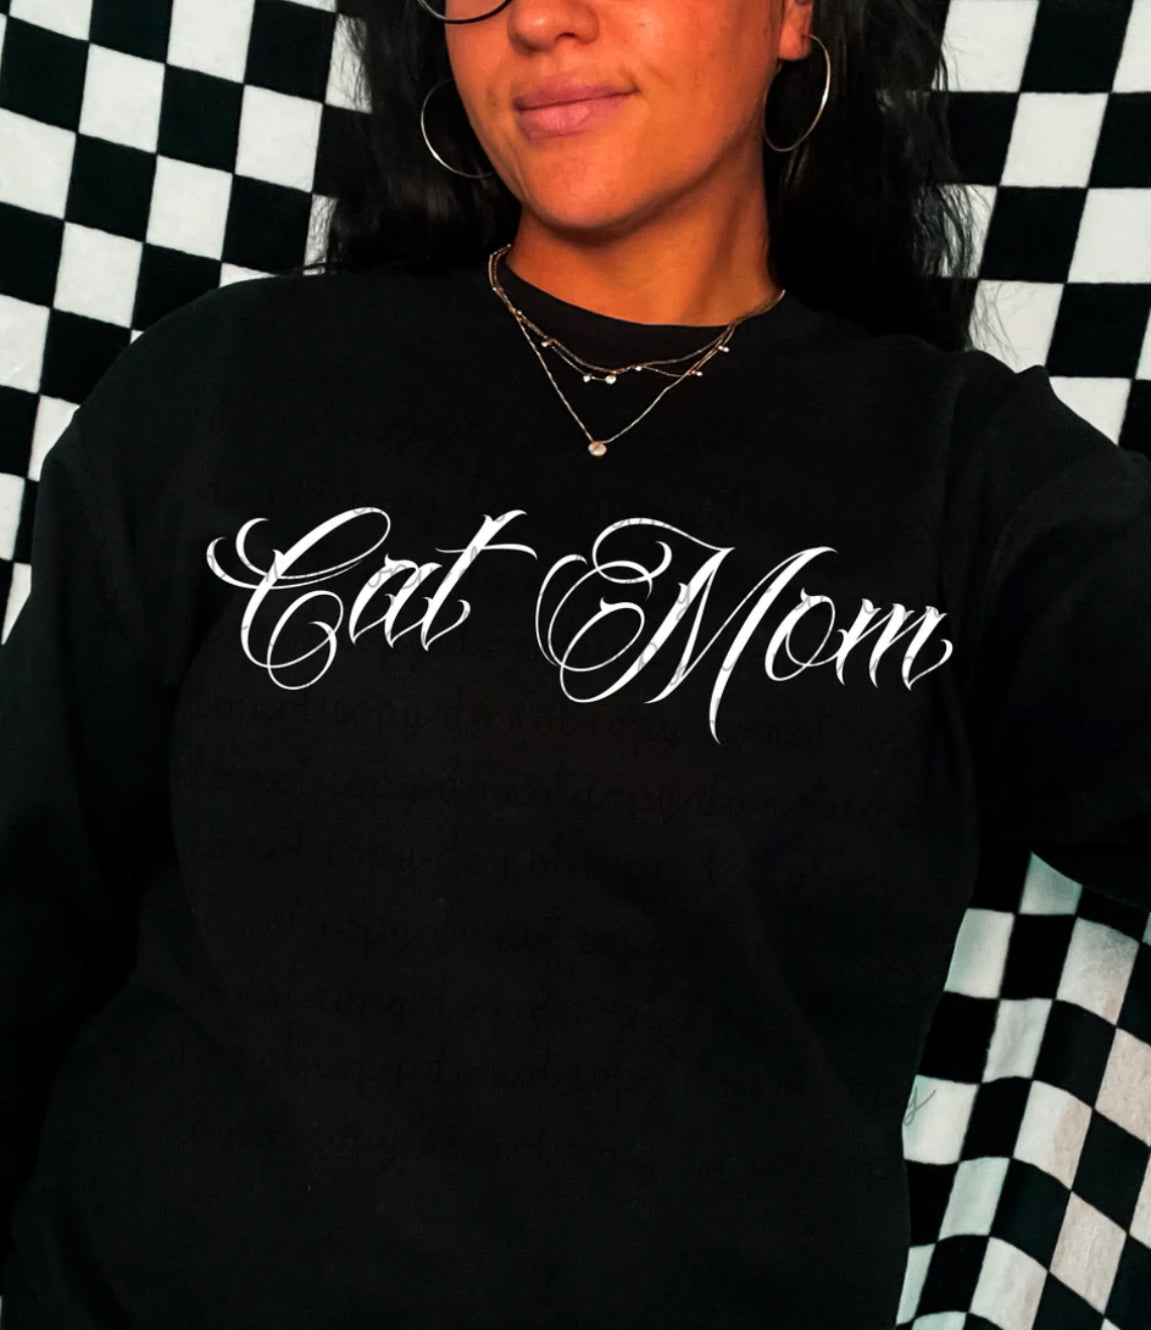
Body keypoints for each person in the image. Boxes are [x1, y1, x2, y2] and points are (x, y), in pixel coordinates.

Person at [0, 0, 1148, 1326]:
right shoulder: (229, 386)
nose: (539, 19)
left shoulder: (965, 486)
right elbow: (27, 897)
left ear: (794, 15)